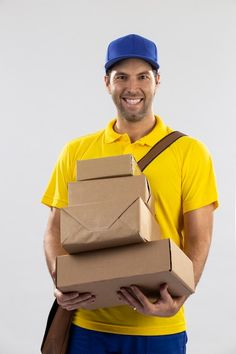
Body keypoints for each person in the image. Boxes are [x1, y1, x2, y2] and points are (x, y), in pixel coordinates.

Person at [41, 34, 218, 354]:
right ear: (107, 82)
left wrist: (181, 297)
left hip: (160, 328)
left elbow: (199, 236)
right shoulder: (77, 151)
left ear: (157, 81)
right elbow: (55, 228)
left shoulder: (190, 152)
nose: (132, 87)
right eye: (121, 77)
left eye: (143, 76)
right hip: (89, 325)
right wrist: (61, 280)